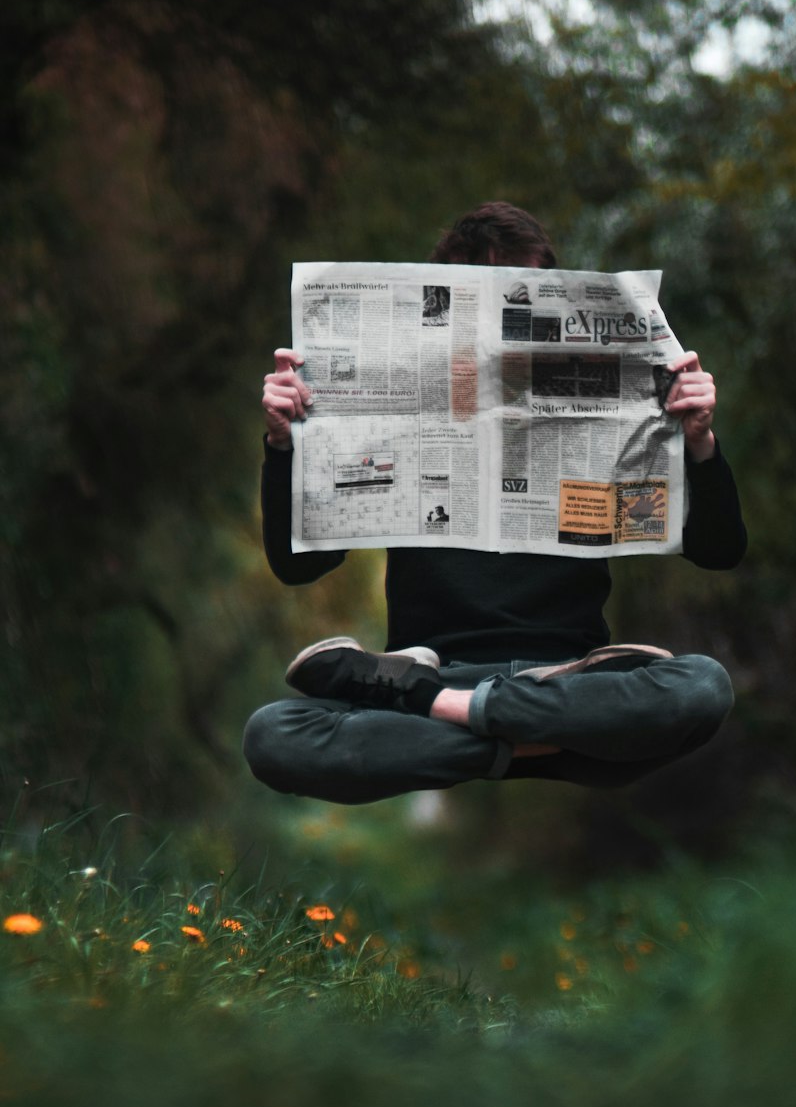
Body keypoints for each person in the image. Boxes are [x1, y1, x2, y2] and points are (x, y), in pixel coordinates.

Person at [243, 202, 747, 805]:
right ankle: (499, 726)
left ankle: (452, 710)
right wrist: (283, 443)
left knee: (703, 688)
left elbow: (720, 551)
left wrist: (698, 440)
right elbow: (298, 568)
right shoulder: (392, 400)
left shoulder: (618, 390)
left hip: (569, 680)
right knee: (271, 735)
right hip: (504, 699)